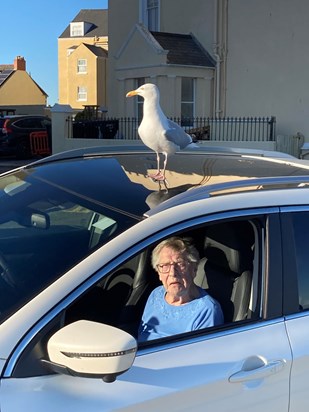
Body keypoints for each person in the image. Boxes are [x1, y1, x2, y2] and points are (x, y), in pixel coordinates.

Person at [138, 237, 224, 342]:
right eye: (165, 266)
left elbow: (199, 355)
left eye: (180, 265)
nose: (172, 273)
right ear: (158, 273)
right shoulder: (156, 294)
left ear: (194, 269)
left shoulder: (207, 310)